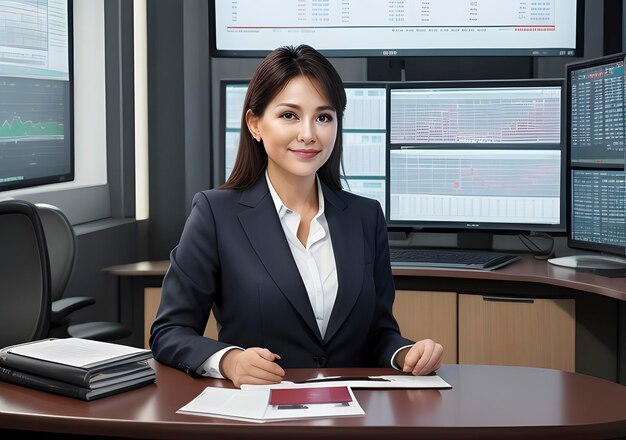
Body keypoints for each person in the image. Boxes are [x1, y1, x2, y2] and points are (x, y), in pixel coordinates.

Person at [150, 44, 444, 388]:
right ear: (255, 124)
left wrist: (405, 353)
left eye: (323, 117)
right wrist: (229, 360)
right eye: (289, 115)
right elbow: (169, 332)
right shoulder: (216, 214)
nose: (308, 133)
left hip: (352, 415)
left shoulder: (365, 216)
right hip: (261, 413)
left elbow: (379, 333)